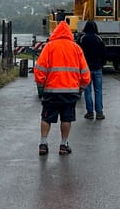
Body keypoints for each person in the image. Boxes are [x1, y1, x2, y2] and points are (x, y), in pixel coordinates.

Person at [34, 20, 91, 155]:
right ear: (69, 34)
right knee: (66, 118)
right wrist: (81, 88)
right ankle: (63, 145)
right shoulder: (76, 48)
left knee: (46, 117)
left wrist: (41, 85)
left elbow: (40, 69)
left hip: (51, 90)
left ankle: (43, 143)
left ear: (55, 33)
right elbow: (85, 73)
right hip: (70, 91)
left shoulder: (49, 47)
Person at [77, 20, 106, 120]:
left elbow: (78, 53)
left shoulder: (82, 39)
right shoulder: (99, 38)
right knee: (98, 91)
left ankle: (90, 112)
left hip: (86, 69)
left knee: (87, 91)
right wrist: (102, 64)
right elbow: (104, 53)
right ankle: (99, 113)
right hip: (97, 68)